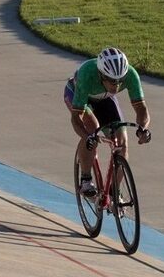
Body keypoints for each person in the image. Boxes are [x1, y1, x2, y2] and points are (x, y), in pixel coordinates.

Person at [64, 47, 152, 196]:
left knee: (122, 142)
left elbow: (141, 109)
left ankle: (114, 193)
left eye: (120, 81)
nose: (116, 86)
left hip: (105, 99)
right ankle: (86, 179)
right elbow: (76, 118)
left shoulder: (131, 75)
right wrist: (87, 137)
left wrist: (143, 128)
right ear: (101, 74)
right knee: (93, 129)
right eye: (112, 81)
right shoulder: (87, 74)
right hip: (78, 95)